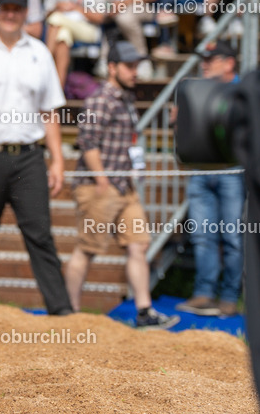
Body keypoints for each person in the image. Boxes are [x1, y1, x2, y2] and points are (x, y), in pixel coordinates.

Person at [0, 0, 73, 314]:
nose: (10, 14)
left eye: (17, 8)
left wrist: (58, 161)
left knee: (40, 235)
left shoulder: (40, 52)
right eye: (6, 7)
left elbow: (49, 111)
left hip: (29, 158)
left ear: (25, 13)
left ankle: (61, 310)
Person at [64, 41, 179, 329]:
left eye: (136, 66)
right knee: (86, 249)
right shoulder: (100, 100)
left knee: (138, 245)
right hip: (99, 185)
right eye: (129, 66)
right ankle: (68, 313)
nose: (134, 71)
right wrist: (102, 180)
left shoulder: (126, 98)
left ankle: (144, 312)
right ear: (112, 67)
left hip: (124, 186)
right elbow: (87, 142)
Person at [175, 40, 245, 317]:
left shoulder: (244, 91)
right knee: (203, 236)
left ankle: (229, 297)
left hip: (232, 173)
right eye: (203, 59)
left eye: (211, 59)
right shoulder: (192, 91)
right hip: (200, 171)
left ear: (229, 63)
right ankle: (203, 294)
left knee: (232, 237)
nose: (204, 64)